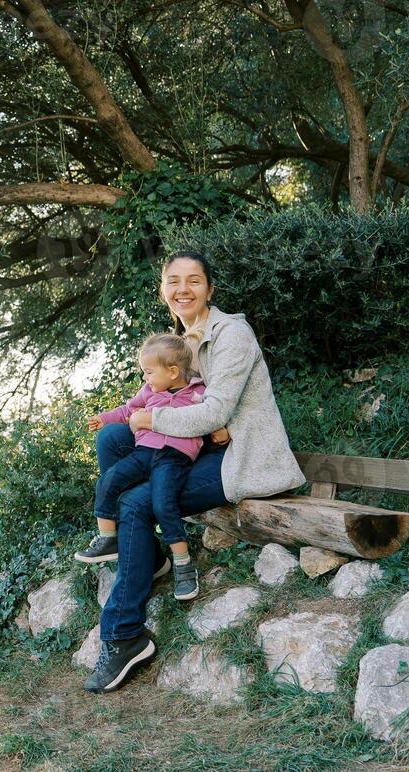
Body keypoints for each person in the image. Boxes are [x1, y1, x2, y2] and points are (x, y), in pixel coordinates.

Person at [83, 250, 306, 694]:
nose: (183, 289)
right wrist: (142, 419)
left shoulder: (232, 334)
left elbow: (214, 411)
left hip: (240, 458)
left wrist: (156, 422)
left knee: (134, 503)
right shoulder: (177, 344)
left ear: (209, 289)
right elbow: (154, 401)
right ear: (163, 288)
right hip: (198, 450)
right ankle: (152, 555)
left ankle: (124, 633)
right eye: (173, 281)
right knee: (111, 440)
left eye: (194, 281)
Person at [73, 333, 213, 603]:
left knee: (163, 504)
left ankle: (183, 564)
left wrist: (221, 429)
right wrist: (104, 418)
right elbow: (128, 411)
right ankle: (107, 537)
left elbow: (211, 417)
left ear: (173, 372)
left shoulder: (199, 393)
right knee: (109, 480)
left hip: (174, 457)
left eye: (149, 372)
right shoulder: (150, 392)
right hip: (145, 451)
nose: (145, 378)